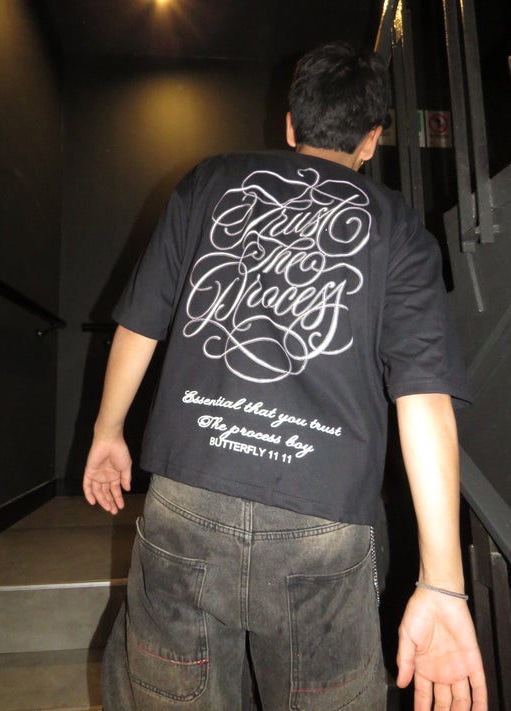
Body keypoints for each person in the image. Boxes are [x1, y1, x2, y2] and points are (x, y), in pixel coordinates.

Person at [83, 42, 487, 710]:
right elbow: (422, 396)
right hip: (321, 521)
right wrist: (442, 580)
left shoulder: (209, 181)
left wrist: (107, 432)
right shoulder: (397, 227)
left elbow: (141, 324)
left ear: (291, 125)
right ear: (372, 139)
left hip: (188, 495)